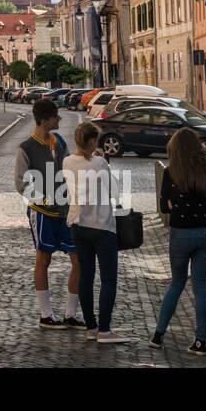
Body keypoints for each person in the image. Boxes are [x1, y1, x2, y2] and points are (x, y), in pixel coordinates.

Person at [13, 98, 83, 329]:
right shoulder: (26, 148)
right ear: (45, 120)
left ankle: (71, 314)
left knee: (78, 259)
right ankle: (46, 314)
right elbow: (22, 184)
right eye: (55, 117)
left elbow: (70, 168)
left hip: (66, 211)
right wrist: (44, 200)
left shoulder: (60, 141)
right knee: (44, 259)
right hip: (42, 213)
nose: (59, 120)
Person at [150, 127, 206, 355]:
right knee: (200, 286)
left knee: (177, 283)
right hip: (205, 233)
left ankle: (158, 336)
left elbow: (163, 207)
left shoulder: (170, 173)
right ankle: (201, 341)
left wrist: (174, 204)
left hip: (181, 233)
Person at [63, 121, 127, 343]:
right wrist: (102, 159)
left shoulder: (67, 162)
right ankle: (105, 330)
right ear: (92, 141)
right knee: (108, 279)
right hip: (101, 226)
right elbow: (112, 189)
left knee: (86, 277)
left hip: (78, 226)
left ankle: (91, 327)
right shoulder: (100, 162)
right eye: (96, 141)